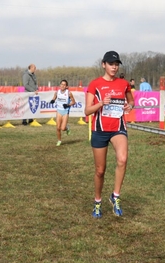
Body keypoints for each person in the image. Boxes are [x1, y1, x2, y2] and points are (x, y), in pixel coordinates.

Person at [85, 51, 134, 218]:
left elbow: (131, 100)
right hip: (99, 130)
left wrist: (130, 106)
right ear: (103, 64)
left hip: (118, 128)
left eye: (116, 64)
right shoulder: (95, 84)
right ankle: (97, 201)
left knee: (122, 159)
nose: (114, 67)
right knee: (100, 170)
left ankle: (115, 196)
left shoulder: (123, 83)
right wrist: (100, 103)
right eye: (111, 64)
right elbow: (87, 110)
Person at [49, 80, 76, 146]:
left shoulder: (69, 93)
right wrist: (52, 100)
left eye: (64, 85)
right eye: (61, 84)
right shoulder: (57, 92)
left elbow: (74, 102)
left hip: (65, 111)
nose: (62, 86)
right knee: (58, 127)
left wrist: (68, 105)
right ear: (60, 85)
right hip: (59, 111)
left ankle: (67, 128)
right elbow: (54, 98)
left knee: (63, 128)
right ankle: (59, 140)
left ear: (66, 86)